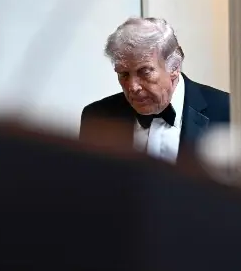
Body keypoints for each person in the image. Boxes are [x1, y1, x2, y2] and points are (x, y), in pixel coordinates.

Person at [79, 17, 230, 163]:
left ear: (175, 67)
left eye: (144, 72)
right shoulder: (98, 117)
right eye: (123, 74)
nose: (133, 87)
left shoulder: (228, 111)